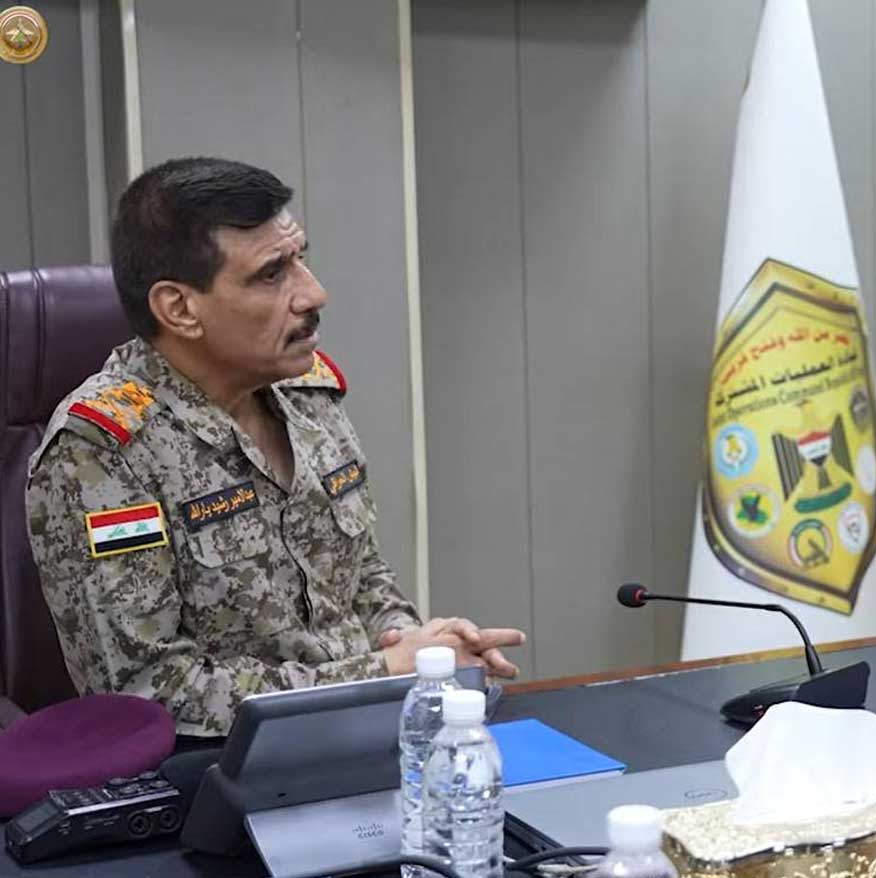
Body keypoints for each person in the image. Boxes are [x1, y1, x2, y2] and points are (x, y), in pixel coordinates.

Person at [26, 157, 524, 737]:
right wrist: (381, 671)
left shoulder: (306, 391)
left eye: (300, 259)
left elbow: (360, 576)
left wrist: (419, 647)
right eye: (271, 274)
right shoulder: (101, 450)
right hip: (218, 768)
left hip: (365, 732)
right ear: (180, 308)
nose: (314, 293)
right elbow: (149, 689)